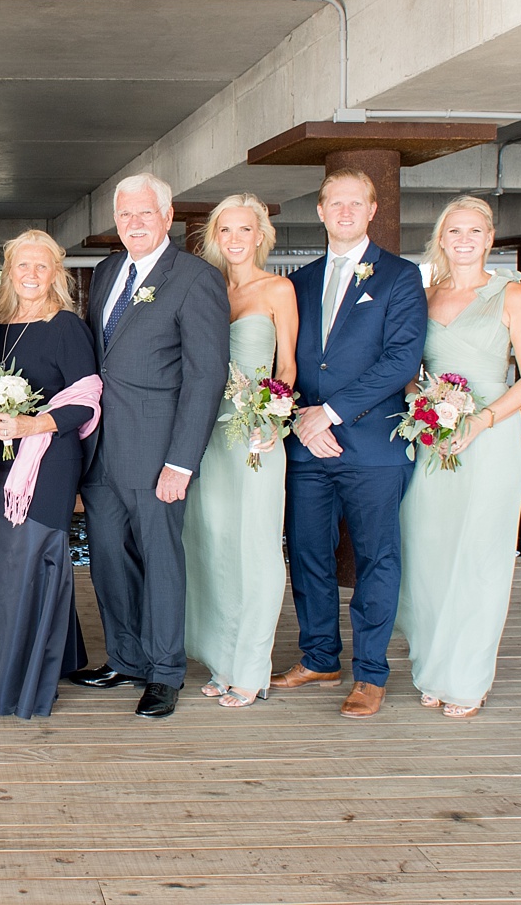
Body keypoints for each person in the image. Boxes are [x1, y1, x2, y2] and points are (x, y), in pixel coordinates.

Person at [71, 173, 228, 719]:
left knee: (161, 560)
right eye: (124, 215)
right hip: (101, 450)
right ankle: (126, 657)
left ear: (167, 216)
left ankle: (164, 672)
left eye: (144, 214)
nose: (133, 223)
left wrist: (181, 461)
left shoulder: (195, 278)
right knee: (110, 558)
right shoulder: (108, 270)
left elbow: (206, 377)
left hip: (159, 450)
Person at [274, 169, 428, 719]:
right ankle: (318, 657)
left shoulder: (400, 276)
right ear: (319, 211)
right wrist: (299, 421)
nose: (343, 211)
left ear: (371, 210)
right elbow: (284, 363)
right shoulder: (298, 281)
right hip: (306, 450)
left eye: (354, 203)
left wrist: (329, 415)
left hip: (371, 445)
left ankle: (371, 674)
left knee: (375, 559)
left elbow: (401, 361)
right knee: (308, 555)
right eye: (334, 202)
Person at [398, 196, 521, 718]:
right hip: (434, 439)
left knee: (479, 557)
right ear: (442, 238)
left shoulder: (513, 295)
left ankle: (467, 677)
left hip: (492, 437)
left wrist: (481, 420)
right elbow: (412, 370)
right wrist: (425, 406)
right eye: (454, 230)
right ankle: (434, 666)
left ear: (489, 239)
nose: (464, 239)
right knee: (429, 553)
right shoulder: (426, 294)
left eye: (475, 231)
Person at [184, 194, 298, 708]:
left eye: (244, 230)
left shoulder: (278, 289)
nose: (234, 239)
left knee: (255, 550)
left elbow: (287, 367)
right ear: (214, 236)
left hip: (254, 435)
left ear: (260, 236)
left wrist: (272, 418)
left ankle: (251, 669)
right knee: (210, 545)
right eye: (225, 230)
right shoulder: (205, 289)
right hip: (206, 435)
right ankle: (221, 660)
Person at [0, 230, 99, 719]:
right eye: (21, 266)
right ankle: (66, 655)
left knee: (26, 564)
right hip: (0, 463)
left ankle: (17, 688)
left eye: (41, 266)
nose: (31, 275)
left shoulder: (65, 325)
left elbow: (87, 398)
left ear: (56, 273)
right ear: (8, 271)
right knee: (6, 565)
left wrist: (34, 424)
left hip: (47, 461)